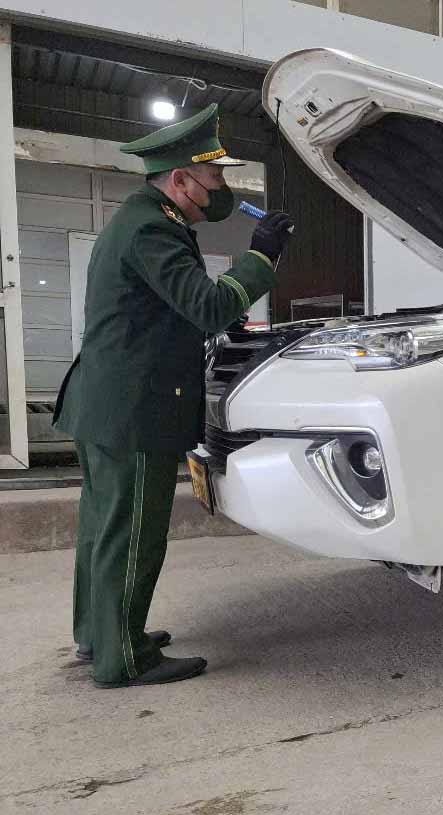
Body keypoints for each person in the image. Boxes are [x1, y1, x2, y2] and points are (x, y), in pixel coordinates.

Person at [52, 104, 294, 688]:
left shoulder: (140, 220)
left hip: (106, 404)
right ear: (181, 179)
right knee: (134, 531)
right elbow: (208, 307)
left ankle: (101, 636)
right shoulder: (152, 227)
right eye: (214, 177)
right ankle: (125, 658)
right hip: (134, 411)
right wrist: (262, 258)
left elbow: (166, 312)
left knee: (102, 529)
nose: (222, 188)